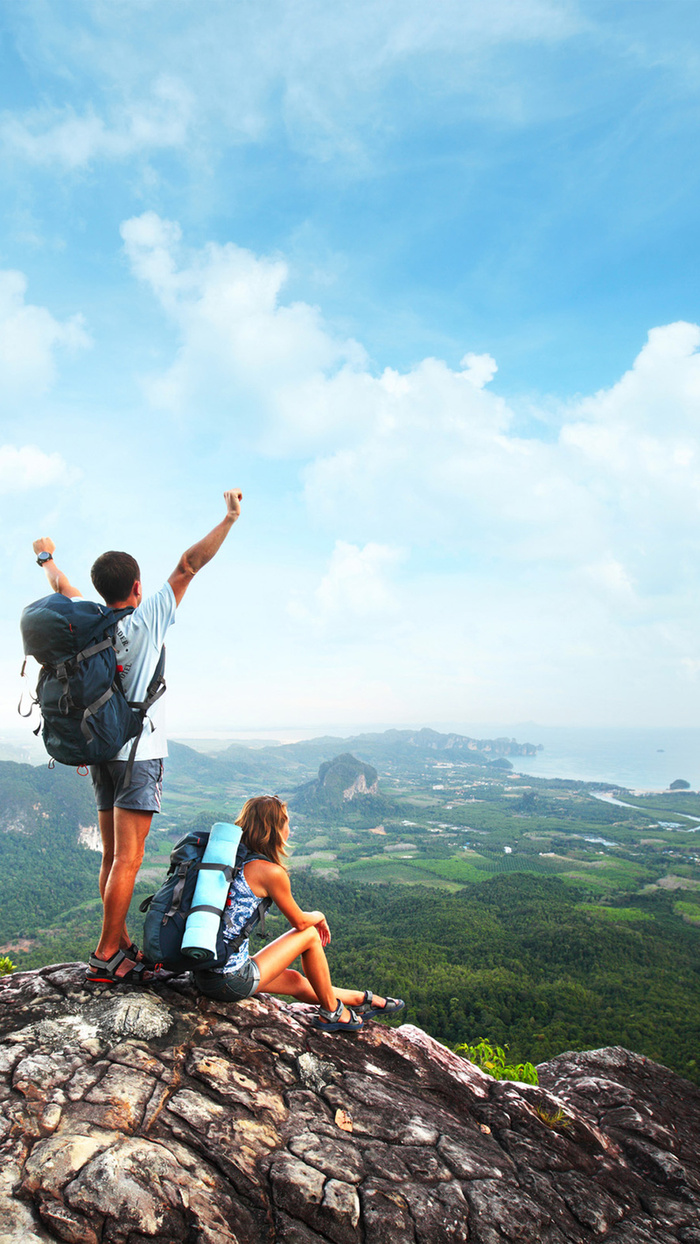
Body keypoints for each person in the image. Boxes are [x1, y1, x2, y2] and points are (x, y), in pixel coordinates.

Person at [32, 489, 243, 985]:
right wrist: (229, 518)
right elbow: (189, 564)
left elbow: (61, 586)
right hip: (138, 755)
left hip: (100, 750)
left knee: (111, 856)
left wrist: (46, 558)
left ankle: (119, 940)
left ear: (100, 588)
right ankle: (107, 954)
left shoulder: (89, 623)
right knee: (130, 858)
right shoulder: (147, 618)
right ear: (137, 585)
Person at [194, 794, 405, 1031]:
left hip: (204, 972)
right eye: (287, 823)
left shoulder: (226, 859)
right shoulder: (269, 872)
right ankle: (333, 1012)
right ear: (275, 830)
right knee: (311, 935)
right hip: (229, 980)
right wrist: (320, 915)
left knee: (295, 980)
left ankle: (361, 999)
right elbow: (301, 922)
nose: (289, 830)